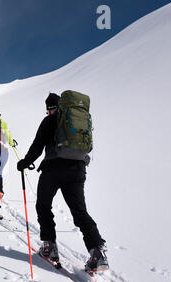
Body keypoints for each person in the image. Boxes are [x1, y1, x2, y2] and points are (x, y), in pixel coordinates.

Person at [16, 92, 108, 272]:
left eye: (48, 109)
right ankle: (97, 252)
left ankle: (49, 247)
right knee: (80, 211)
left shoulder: (49, 121)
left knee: (43, 205)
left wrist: (24, 163)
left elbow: (37, 147)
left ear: (51, 108)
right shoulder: (78, 122)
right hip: (78, 169)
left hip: (53, 169)